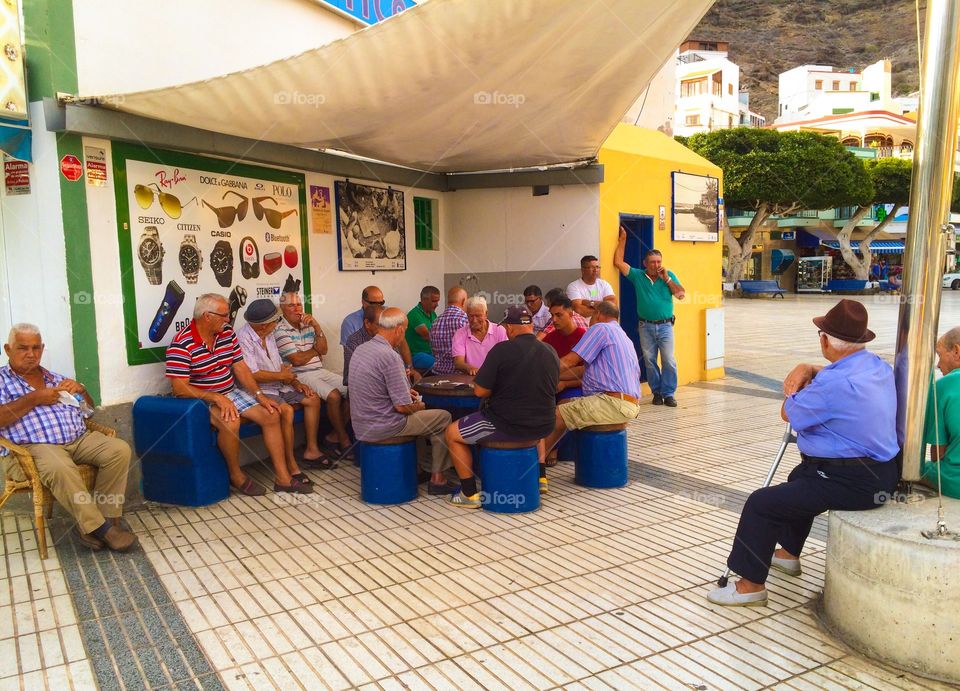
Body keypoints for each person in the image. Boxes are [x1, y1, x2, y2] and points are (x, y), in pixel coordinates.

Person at [707, 300, 900, 607]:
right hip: (883, 472)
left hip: (853, 480)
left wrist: (802, 384)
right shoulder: (877, 366)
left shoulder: (832, 384)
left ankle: (750, 586)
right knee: (800, 478)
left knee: (762, 503)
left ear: (824, 340)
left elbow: (789, 413)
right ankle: (787, 554)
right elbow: (841, 379)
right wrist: (809, 368)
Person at [0, 324, 138, 551]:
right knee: (58, 465)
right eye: (22, 348)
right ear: (8, 349)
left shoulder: (56, 378)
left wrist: (82, 391)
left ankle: (96, 522)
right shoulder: (3, 381)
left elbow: (88, 411)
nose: (30, 354)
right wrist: (34, 398)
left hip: (78, 439)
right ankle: (103, 530)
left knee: (119, 450)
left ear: (42, 349)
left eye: (36, 348)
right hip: (33, 447)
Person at [166, 294, 313, 495]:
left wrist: (259, 395)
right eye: (224, 315)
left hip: (229, 391)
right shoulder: (182, 342)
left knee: (271, 412)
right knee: (231, 420)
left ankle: (283, 478)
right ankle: (236, 475)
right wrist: (216, 398)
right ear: (207, 316)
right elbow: (179, 388)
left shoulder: (226, 333)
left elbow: (240, 367)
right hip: (199, 399)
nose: (228, 320)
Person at [445, 306, 560, 508]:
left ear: (509, 328)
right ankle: (541, 478)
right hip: (543, 425)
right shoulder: (550, 350)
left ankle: (468, 493)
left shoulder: (501, 350)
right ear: (531, 326)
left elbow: (480, 391)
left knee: (451, 433)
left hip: (506, 424)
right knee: (533, 411)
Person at [348, 308, 457, 495]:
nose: (403, 335)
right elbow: (402, 407)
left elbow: (381, 389)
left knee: (422, 420)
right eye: (405, 330)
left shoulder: (361, 349)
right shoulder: (390, 356)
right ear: (398, 329)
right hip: (384, 426)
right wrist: (419, 405)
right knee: (443, 417)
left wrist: (407, 394)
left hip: (361, 423)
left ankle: (417, 469)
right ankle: (438, 479)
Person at [540, 301, 642, 490]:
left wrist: (537, 373)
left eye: (590, 316)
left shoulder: (600, 329)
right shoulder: (621, 334)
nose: (587, 321)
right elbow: (579, 371)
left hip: (611, 403)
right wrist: (549, 377)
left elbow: (571, 361)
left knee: (557, 415)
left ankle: (533, 468)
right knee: (566, 403)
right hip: (627, 403)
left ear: (599, 314)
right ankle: (543, 458)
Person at [235, 299, 334, 476]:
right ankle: (290, 463)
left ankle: (311, 450)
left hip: (279, 385)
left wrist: (296, 383)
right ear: (264, 325)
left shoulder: (269, 334)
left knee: (312, 398)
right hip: (258, 389)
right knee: (286, 411)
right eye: (276, 320)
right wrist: (283, 376)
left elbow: (280, 365)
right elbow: (252, 374)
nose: (278, 323)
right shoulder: (243, 338)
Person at [275, 278, 352, 460]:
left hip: (319, 371)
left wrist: (316, 327)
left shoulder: (309, 325)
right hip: (300, 375)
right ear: (283, 309)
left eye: (299, 304)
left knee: (352, 390)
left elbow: (323, 350)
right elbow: (297, 360)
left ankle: (333, 436)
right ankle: (343, 438)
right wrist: (314, 351)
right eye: (292, 306)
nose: (297, 309)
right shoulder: (280, 330)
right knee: (333, 396)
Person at [614, 227, 685, 407]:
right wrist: (623, 239)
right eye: (652, 262)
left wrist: (667, 279)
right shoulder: (638, 276)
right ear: (645, 263)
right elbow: (618, 262)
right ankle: (657, 392)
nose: (656, 265)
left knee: (669, 360)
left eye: (659, 261)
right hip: (645, 326)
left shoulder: (668, 277)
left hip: (665, 326)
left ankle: (669, 393)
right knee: (650, 361)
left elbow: (681, 295)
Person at [340, 284, 419, 379]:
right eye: (373, 303)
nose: (378, 307)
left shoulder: (388, 314)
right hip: (367, 378)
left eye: (381, 303)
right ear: (363, 302)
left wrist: (410, 368)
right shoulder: (350, 323)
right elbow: (352, 362)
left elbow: (401, 342)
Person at [922, 327, 960, 499]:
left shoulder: (944, 386)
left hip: (955, 480)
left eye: (939, 354)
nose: (937, 365)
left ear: (957, 351)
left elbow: (939, 453)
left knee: (909, 468)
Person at [343, 304, 402, 386]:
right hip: (364, 391)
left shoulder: (388, 337)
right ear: (367, 323)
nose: (384, 329)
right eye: (380, 325)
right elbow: (350, 377)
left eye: (386, 325)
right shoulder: (354, 341)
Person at [451, 295, 508, 375]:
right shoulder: (460, 334)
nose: (474, 320)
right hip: (472, 378)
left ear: (486, 314)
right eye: (471, 316)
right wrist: (469, 368)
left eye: (478, 316)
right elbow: (458, 362)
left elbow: (506, 358)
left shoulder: (499, 330)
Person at [542, 295, 587, 391]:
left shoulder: (584, 337)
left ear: (571, 314)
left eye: (559, 315)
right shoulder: (549, 338)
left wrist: (566, 384)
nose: (554, 320)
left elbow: (591, 376)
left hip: (578, 390)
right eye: (552, 315)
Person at [430, 286, 468, 375]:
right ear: (463, 302)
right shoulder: (466, 320)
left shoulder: (435, 322)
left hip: (437, 375)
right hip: (460, 375)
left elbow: (433, 350)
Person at [566, 255, 617, 319]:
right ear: (583, 270)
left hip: (602, 326)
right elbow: (578, 310)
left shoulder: (604, 284)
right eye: (592, 267)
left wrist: (590, 303)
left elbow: (612, 304)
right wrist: (603, 310)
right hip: (584, 327)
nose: (595, 270)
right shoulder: (573, 286)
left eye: (597, 267)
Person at [405, 286, 440, 371]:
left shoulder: (432, 314)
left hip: (431, 354)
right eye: (434, 301)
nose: (437, 304)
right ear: (424, 300)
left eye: (437, 301)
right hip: (418, 356)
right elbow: (428, 336)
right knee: (442, 365)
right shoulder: (414, 315)